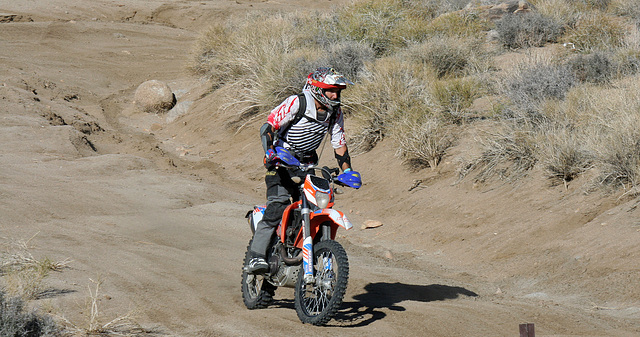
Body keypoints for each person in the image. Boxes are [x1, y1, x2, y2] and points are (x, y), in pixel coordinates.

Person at [246, 67, 356, 274]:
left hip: (306, 166)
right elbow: (269, 126)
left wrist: (347, 171)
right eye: (330, 90)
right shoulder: (298, 102)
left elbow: (339, 143)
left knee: (316, 207)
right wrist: (270, 152)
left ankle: (303, 248)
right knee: (277, 207)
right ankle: (256, 257)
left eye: (337, 91)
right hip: (280, 162)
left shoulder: (335, 112)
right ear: (317, 89)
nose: (335, 95)